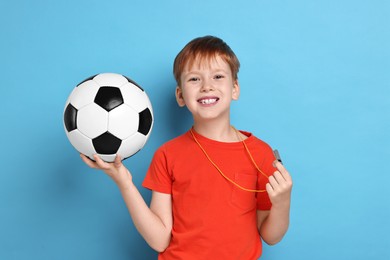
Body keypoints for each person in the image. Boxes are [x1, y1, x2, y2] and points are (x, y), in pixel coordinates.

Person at [81, 35, 293, 259]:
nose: (207, 86)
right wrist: (124, 183)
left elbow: (271, 236)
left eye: (218, 76)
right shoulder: (167, 155)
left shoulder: (260, 153)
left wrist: (282, 202)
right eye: (194, 79)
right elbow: (159, 239)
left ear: (235, 88)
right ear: (181, 96)